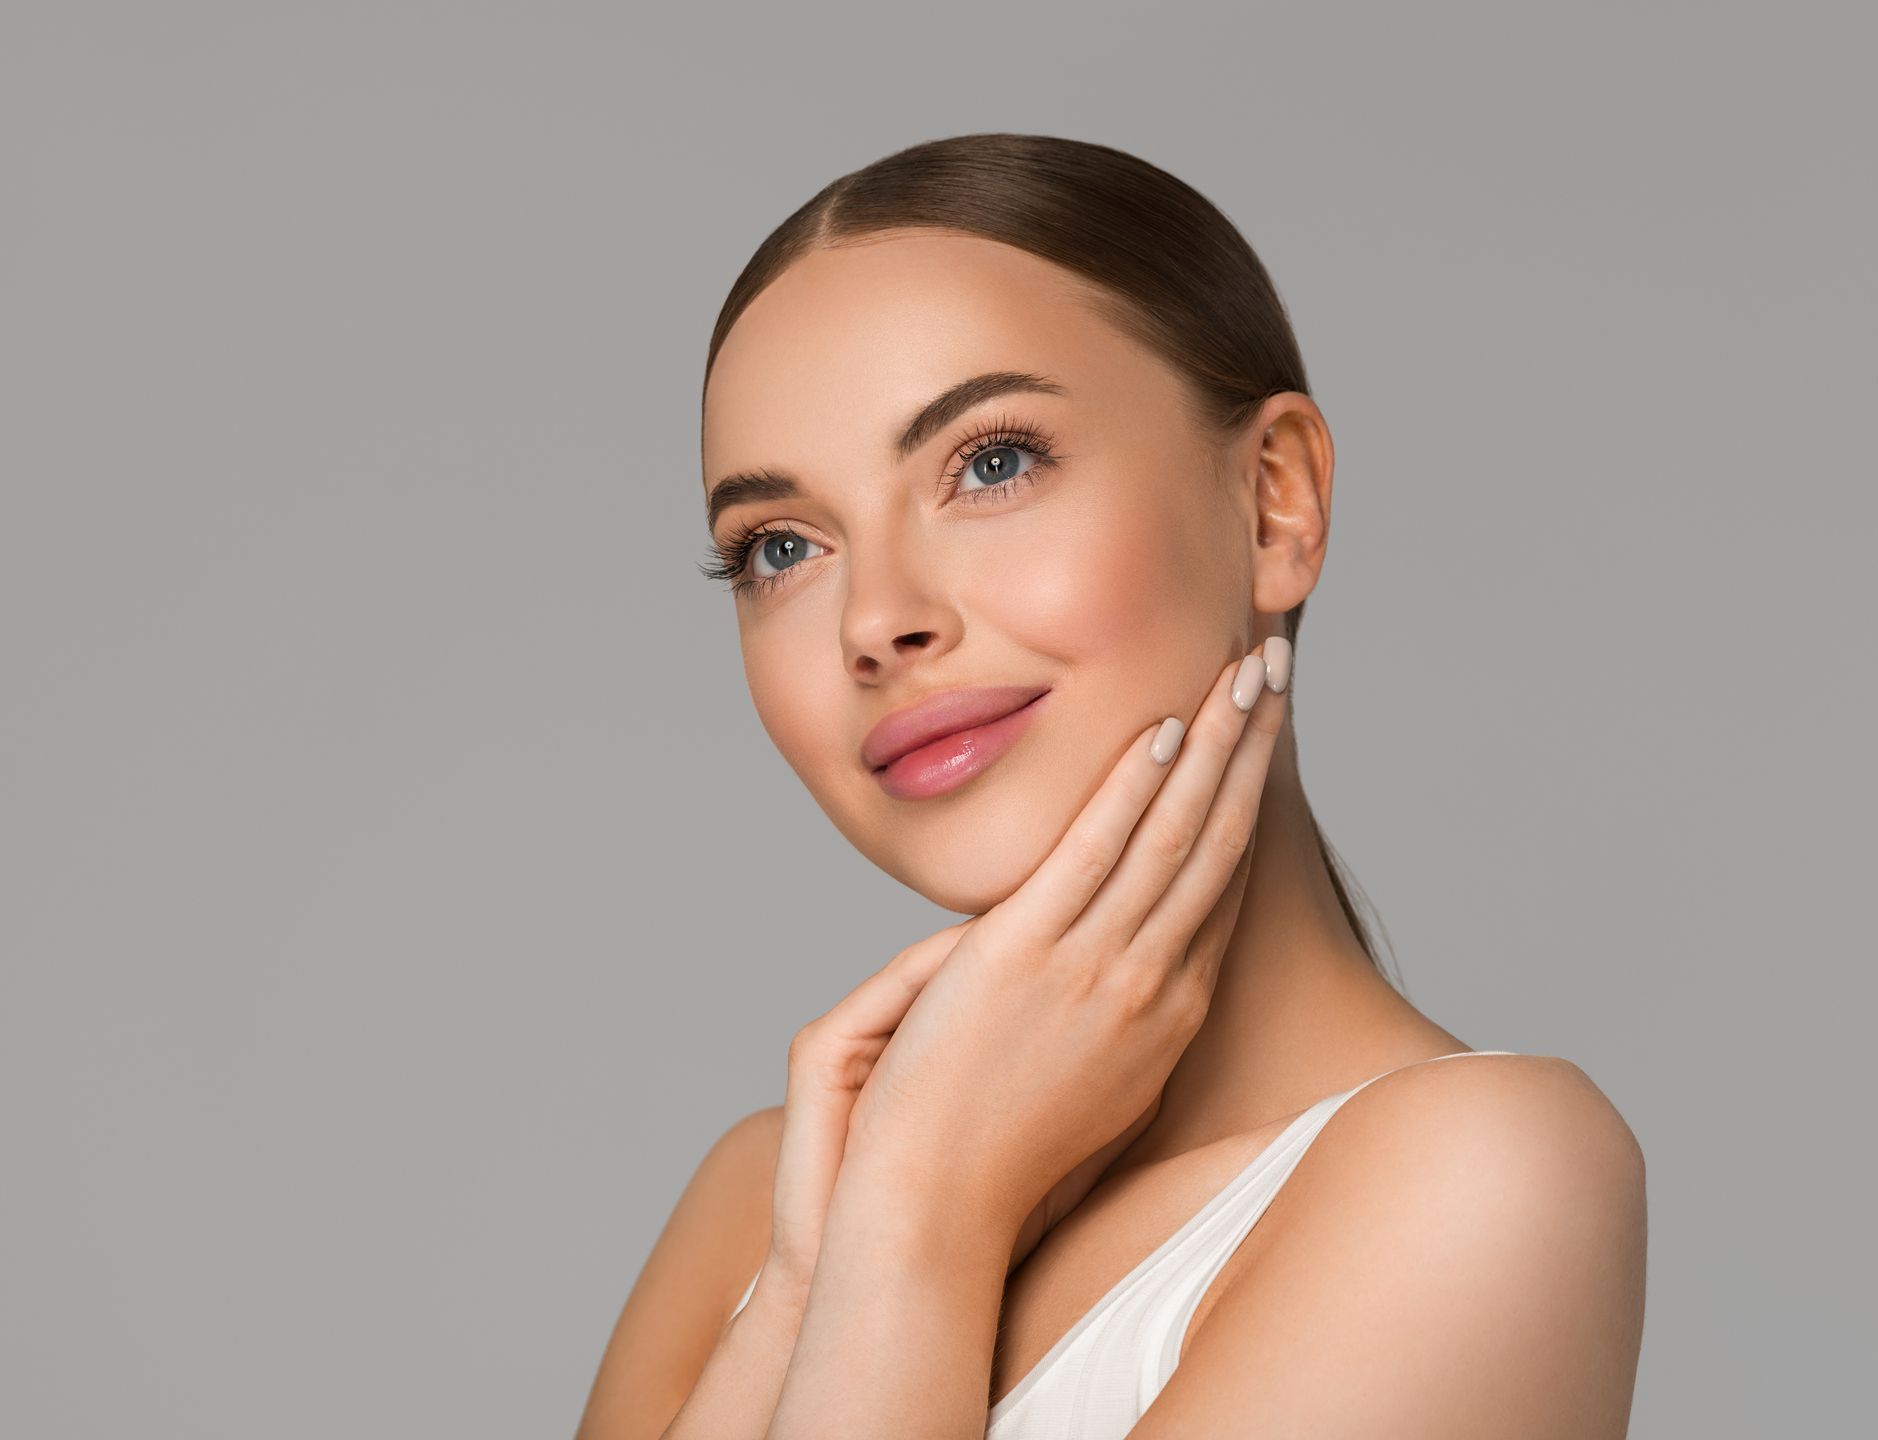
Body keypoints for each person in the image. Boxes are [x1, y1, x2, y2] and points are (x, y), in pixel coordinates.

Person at [577, 132, 1646, 1439]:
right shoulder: (763, 1205)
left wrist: (923, 1223)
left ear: (1275, 503)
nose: (875, 622)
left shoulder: (1482, 1178)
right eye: (781, 547)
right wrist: (824, 1268)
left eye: (991, 463)